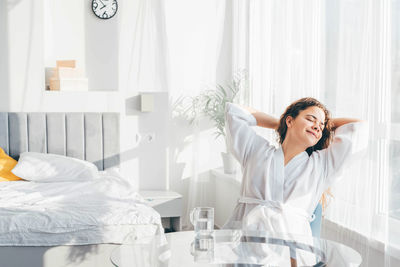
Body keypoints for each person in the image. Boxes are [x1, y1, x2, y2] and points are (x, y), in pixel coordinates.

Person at [223, 97, 368, 265]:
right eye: (310, 119)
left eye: (321, 126)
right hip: (245, 243)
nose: (317, 127)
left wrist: (324, 124)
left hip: (291, 253)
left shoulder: (322, 165)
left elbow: (359, 127)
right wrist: (280, 123)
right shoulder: (255, 150)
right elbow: (235, 112)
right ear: (290, 120)